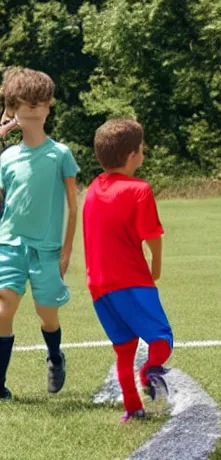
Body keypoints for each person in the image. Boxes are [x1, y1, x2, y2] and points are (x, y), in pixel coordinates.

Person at [83, 118, 173, 422]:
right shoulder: (139, 190)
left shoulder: (93, 189)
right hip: (131, 281)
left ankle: (133, 410)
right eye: (142, 149)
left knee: (124, 348)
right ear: (133, 155)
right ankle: (149, 373)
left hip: (98, 286)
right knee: (161, 340)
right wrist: (156, 266)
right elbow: (152, 237)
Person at [0, 67, 79, 399]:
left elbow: (73, 207)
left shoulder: (60, 154)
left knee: (47, 315)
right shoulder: (6, 158)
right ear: (12, 109)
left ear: (48, 108)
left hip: (46, 250)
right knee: (3, 311)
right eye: (24, 104)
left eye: (40, 104)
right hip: (9, 248)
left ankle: (55, 355)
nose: (33, 110)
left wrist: (65, 252)